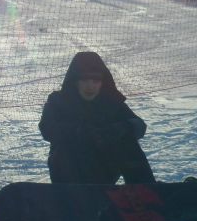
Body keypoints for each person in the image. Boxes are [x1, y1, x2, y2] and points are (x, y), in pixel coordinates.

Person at [39, 51, 155, 186]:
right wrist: (79, 131)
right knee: (66, 146)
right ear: (75, 81)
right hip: (69, 171)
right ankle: (70, 196)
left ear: (102, 82)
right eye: (84, 80)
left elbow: (139, 125)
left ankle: (146, 192)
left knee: (127, 141)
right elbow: (46, 128)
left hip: (104, 168)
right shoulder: (59, 101)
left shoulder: (110, 101)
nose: (90, 86)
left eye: (95, 81)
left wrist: (120, 129)